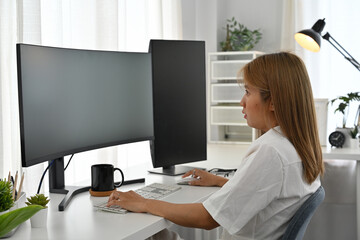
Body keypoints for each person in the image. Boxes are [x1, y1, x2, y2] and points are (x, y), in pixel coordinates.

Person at [107, 52, 324, 240]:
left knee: (146, 234)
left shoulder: (272, 152)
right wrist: (220, 181)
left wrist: (143, 202)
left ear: (274, 102)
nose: (242, 101)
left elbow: (208, 218)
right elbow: (267, 190)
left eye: (248, 92)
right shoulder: (296, 145)